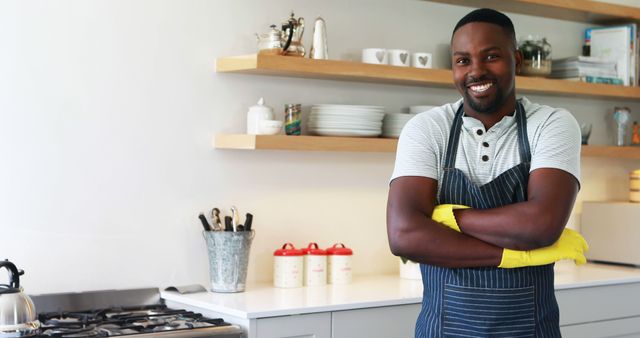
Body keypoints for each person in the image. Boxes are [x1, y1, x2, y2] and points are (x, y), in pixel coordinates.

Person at [386, 8, 588, 337]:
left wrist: (448, 218)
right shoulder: (426, 129)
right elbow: (404, 235)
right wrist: (512, 254)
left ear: (517, 59)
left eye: (491, 56)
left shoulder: (551, 124)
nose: (476, 71)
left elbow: (542, 224)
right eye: (463, 60)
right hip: (443, 329)